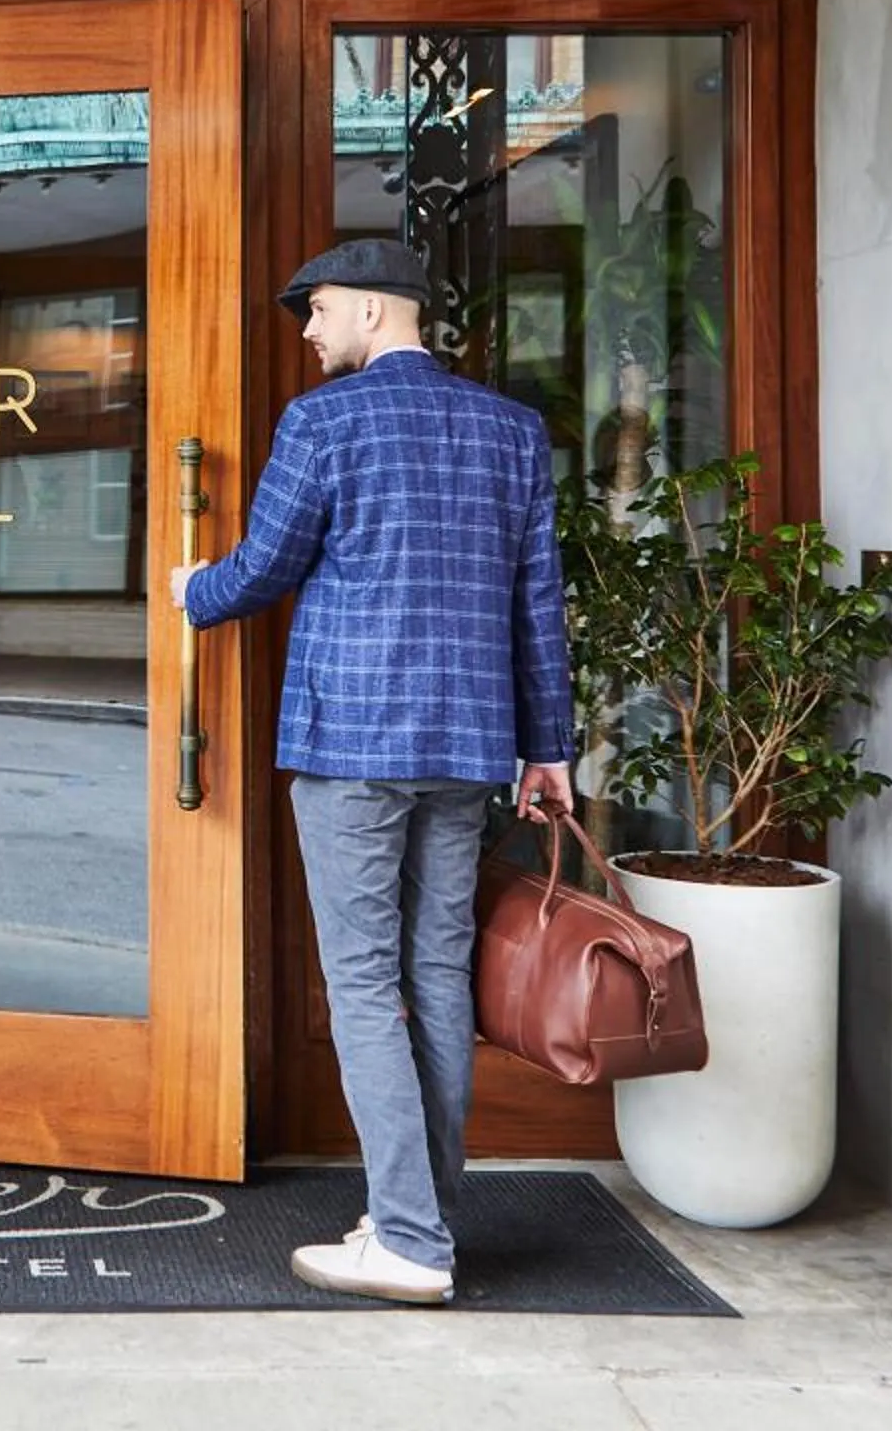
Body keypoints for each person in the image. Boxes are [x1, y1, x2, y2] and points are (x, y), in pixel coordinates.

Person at [170, 236, 575, 1306]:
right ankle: (422, 1219)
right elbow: (539, 601)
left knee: (361, 982)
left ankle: (405, 1236)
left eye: (319, 312)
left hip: (354, 742)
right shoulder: (513, 430)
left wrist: (188, 587)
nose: (307, 332)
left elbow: (263, 569)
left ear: (372, 311)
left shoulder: (324, 422)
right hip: (469, 745)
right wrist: (551, 746)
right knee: (436, 977)